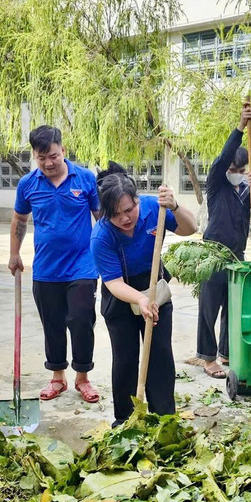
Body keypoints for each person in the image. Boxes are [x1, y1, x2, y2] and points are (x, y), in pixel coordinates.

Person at [90, 164, 198, 426]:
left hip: (155, 290)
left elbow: (190, 228)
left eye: (130, 209)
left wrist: (174, 206)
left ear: (137, 199)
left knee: (160, 354)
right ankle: (125, 420)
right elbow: (113, 283)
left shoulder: (154, 208)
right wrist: (139, 299)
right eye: (117, 215)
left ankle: (164, 418)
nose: (126, 218)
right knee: (126, 358)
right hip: (122, 297)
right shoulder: (101, 237)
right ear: (106, 214)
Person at [8, 126, 101, 404]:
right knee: (52, 323)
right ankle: (57, 377)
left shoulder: (84, 179)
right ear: (34, 156)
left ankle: (83, 378)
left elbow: (101, 218)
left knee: (81, 319)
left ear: (63, 150)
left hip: (82, 266)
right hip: (46, 269)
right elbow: (20, 221)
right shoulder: (28, 184)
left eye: (53, 156)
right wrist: (14, 253)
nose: (48, 163)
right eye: (41, 158)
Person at [195, 103, 251, 379]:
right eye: (232, 167)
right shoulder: (217, 184)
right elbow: (222, 158)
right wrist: (240, 127)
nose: (235, 171)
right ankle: (207, 357)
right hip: (213, 253)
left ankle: (226, 352)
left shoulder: (246, 189)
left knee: (233, 305)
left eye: (240, 168)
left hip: (238, 254)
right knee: (208, 307)